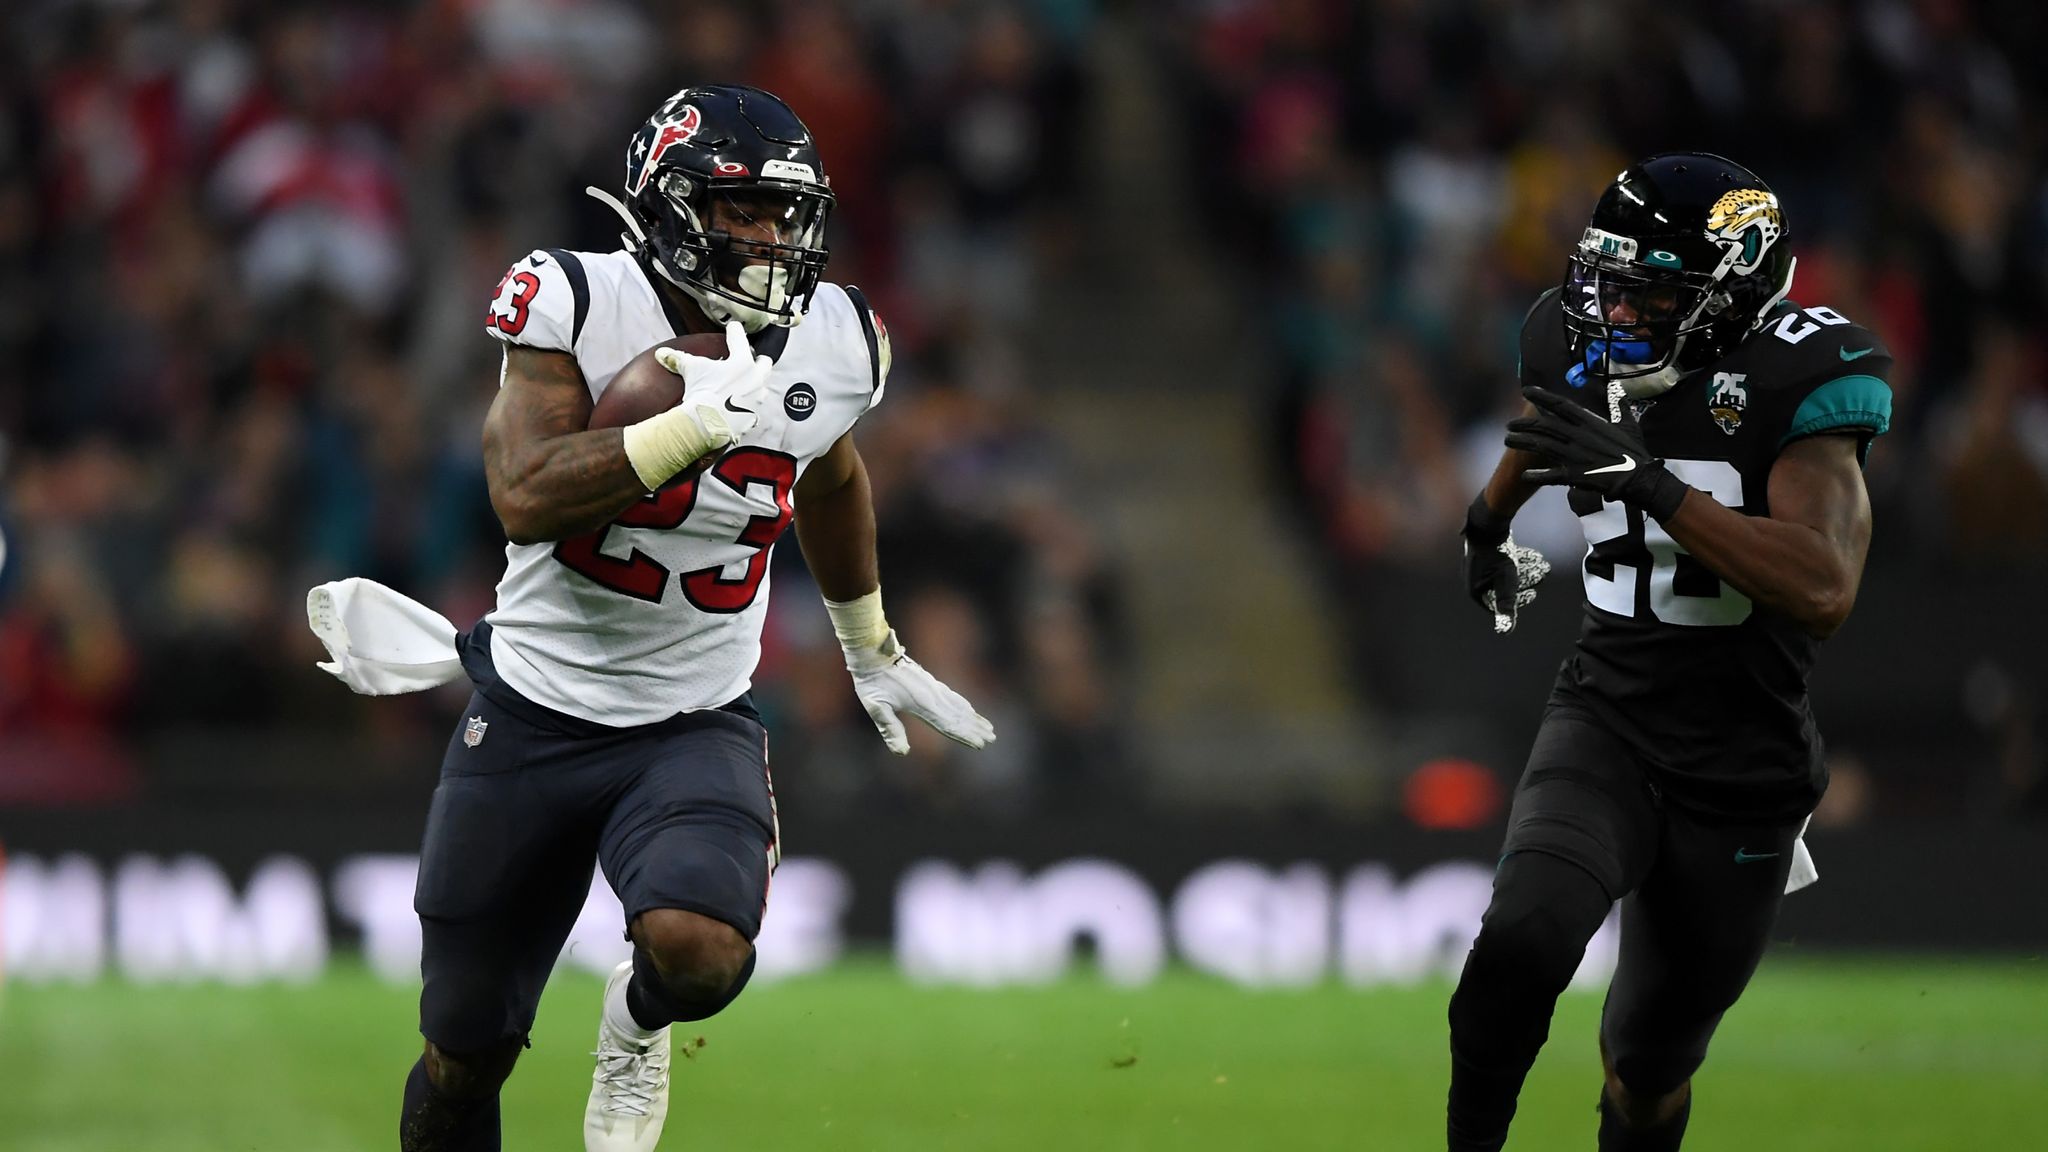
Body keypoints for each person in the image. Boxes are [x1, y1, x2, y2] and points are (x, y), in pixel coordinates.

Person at [371, 85, 994, 1152]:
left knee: (699, 951)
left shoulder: (833, 335)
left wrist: (866, 641)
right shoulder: (571, 297)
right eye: (739, 210)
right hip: (533, 710)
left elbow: (831, 477)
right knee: (464, 1050)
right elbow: (521, 491)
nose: (767, 239)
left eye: (783, 216)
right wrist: (682, 427)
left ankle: (636, 1019)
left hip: (689, 717)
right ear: (664, 206)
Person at [1448, 153, 1893, 1151]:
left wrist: (1652, 486)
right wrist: (1484, 527)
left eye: (1645, 288)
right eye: (1607, 277)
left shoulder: (1804, 377)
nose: (1611, 308)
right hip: (1603, 714)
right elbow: (1548, 425)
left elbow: (1822, 588)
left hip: (1740, 765)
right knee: (1519, 939)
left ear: (1726, 290)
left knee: (1645, 1065)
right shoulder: (1577, 336)